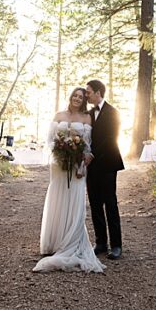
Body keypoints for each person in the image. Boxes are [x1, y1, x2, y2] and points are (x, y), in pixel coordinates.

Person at [33, 87, 105, 273]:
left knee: (75, 200)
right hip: (59, 164)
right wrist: (60, 151)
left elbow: (87, 144)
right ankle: (54, 242)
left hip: (77, 165)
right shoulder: (59, 115)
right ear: (71, 97)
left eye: (81, 97)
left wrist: (84, 156)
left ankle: (72, 240)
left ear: (83, 101)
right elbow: (49, 140)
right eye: (75, 95)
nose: (77, 98)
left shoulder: (87, 118)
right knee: (58, 197)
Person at [85, 79, 124, 259]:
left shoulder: (113, 112)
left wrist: (92, 154)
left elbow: (111, 139)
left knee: (110, 203)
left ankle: (116, 245)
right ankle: (101, 242)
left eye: (89, 92)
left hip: (108, 163)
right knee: (95, 204)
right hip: (91, 167)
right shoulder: (89, 113)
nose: (87, 95)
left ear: (98, 92)